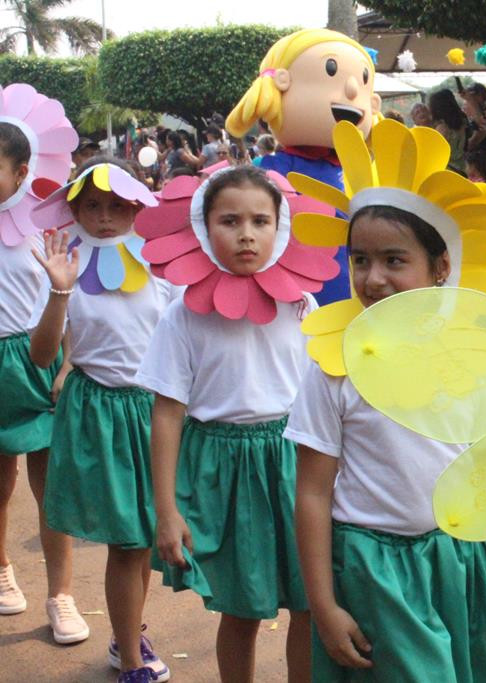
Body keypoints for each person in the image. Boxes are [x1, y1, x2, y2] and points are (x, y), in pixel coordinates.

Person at [285, 118, 486, 682]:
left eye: (395, 260)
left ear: (441, 268)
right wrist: (323, 605)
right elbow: (313, 492)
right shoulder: (335, 364)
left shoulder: (479, 355)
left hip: (463, 562)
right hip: (375, 568)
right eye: (360, 260)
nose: (373, 278)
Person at [135, 166, 339, 683]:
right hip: (225, 472)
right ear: (204, 228)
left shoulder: (301, 304)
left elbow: (322, 396)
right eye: (229, 220)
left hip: (297, 466)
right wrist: (166, 509)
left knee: (311, 602)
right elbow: (167, 411)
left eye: (260, 220)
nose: (246, 233)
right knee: (242, 610)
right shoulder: (183, 315)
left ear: (281, 227)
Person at [28, 158, 176, 683]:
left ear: (139, 204)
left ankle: (127, 632)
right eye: (91, 205)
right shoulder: (63, 263)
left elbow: (184, 339)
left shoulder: (161, 263)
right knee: (128, 541)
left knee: (146, 537)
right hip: (100, 413)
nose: (105, 217)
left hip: (153, 413)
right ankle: (131, 661)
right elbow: (43, 355)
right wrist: (59, 291)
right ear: (73, 208)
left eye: (118, 205)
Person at [0, 90, 83, 645]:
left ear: (23, 170)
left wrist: (69, 364)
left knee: (51, 485)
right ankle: (3, 570)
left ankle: (62, 595)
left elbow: (75, 297)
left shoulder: (45, 224)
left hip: (40, 356)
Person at [226, 28, 382, 305]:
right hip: (286, 303)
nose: (350, 90)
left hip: (360, 302)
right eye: (330, 71)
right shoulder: (265, 173)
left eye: (362, 82)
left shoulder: (366, 173)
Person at [429, 88, 469, 175]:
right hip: (463, 167)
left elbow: (435, 154)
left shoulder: (442, 128)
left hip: (447, 170)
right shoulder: (462, 122)